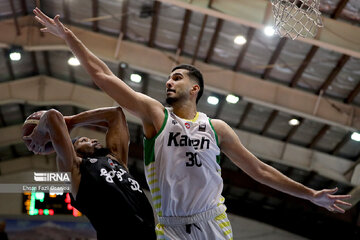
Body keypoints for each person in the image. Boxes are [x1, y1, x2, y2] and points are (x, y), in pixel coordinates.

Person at [33, 8, 352, 239]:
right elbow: (103, 75)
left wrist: (309, 194)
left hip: (212, 221)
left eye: (177, 78)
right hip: (168, 227)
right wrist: (69, 37)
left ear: (194, 87)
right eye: (168, 79)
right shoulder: (155, 116)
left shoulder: (217, 129)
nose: (169, 83)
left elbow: (260, 171)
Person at [23, 107, 156, 240]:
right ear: (73, 151)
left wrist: (72, 121)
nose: (92, 140)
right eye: (83, 140)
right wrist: (40, 130)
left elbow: (116, 114)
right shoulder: (75, 168)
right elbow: (52, 115)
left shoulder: (116, 159)